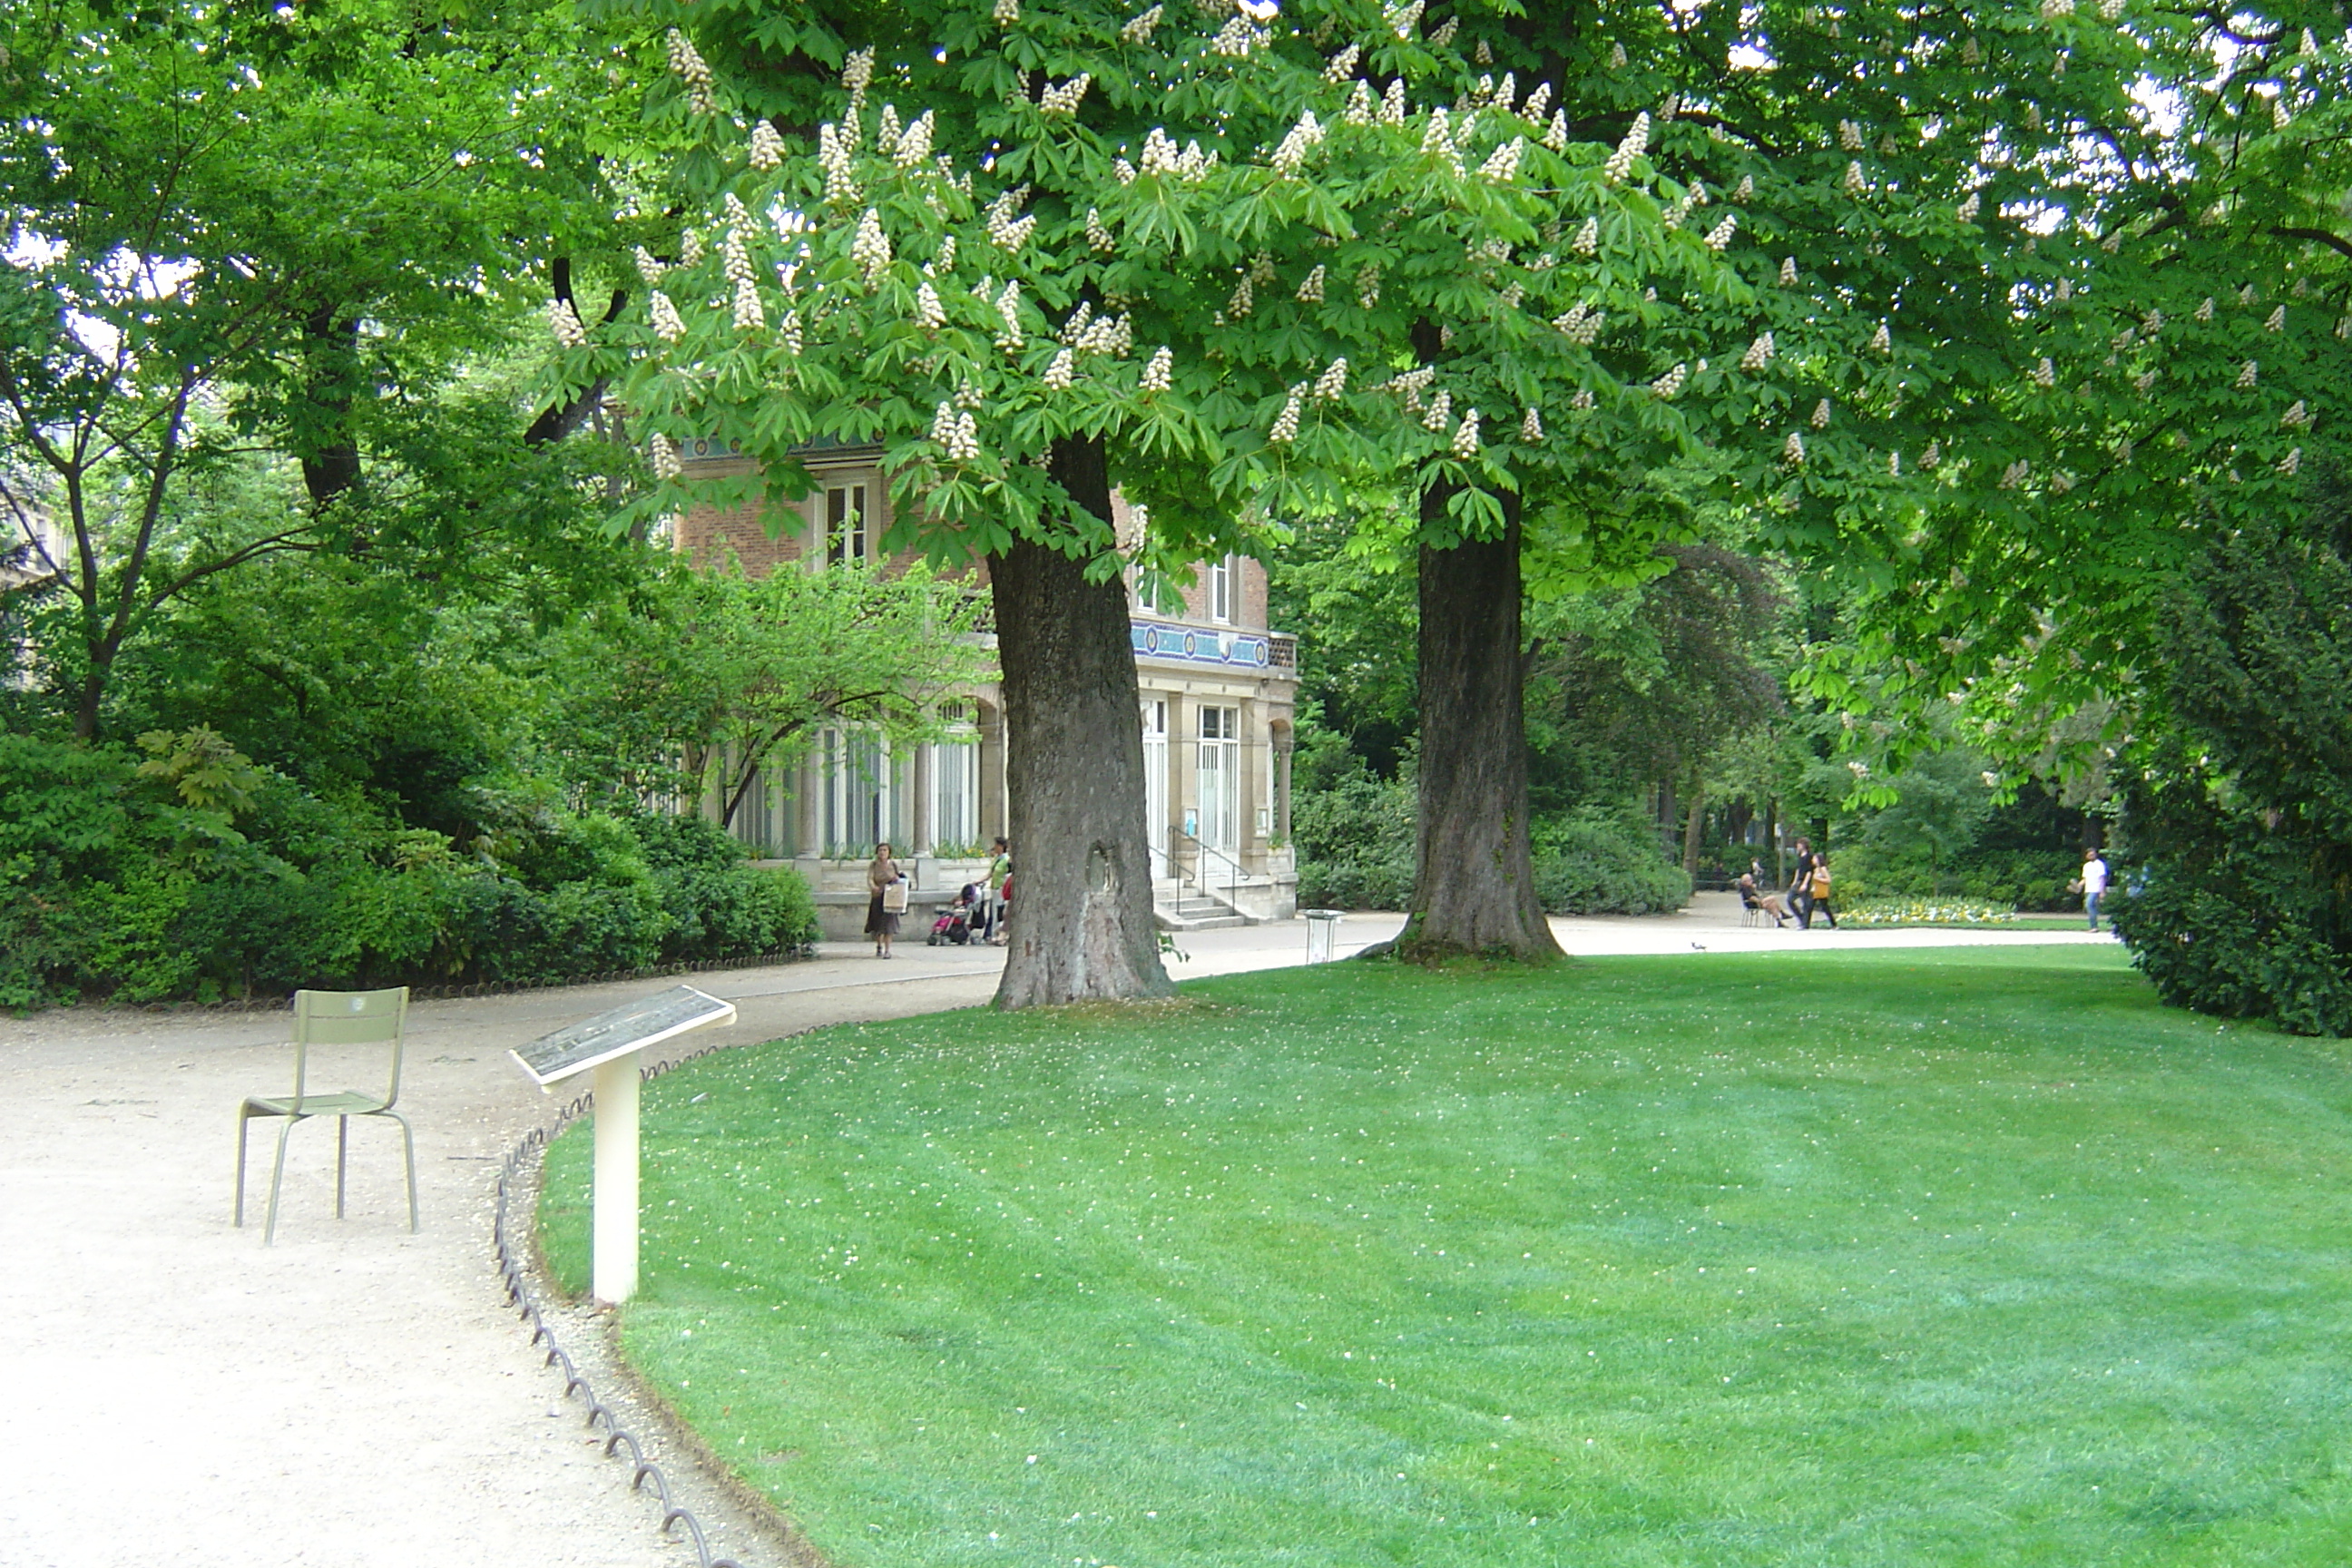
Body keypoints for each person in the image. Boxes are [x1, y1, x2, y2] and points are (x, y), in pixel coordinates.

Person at [865, 841, 903, 958]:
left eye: (885, 850)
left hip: (891, 897)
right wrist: (873, 887)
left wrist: (896, 879)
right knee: (878, 924)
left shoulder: (893, 864)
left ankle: (888, 950)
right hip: (878, 896)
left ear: (889, 852)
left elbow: (900, 878)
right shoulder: (874, 865)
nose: (882, 853)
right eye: (880, 850)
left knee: (889, 925)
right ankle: (879, 946)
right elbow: (870, 878)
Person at [1739, 862, 1788, 926]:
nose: (1752, 881)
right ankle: (1782, 913)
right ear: (1745, 881)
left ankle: (1779, 922)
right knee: (1773, 898)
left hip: (1758, 902)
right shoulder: (1745, 888)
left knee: (1772, 905)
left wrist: (1754, 889)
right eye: (1750, 880)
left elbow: (1755, 894)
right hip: (1753, 904)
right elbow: (1751, 898)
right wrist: (1760, 900)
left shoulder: (1750, 887)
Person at [983, 837, 1011, 945]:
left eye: (996, 845)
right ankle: (994, 934)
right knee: (994, 912)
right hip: (994, 888)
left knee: (1000, 911)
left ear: (1001, 846)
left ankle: (1000, 935)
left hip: (1002, 888)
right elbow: (991, 873)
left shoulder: (1006, 859)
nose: (994, 847)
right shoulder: (996, 859)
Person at [1788, 838, 1818, 927]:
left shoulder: (1809, 856)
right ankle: (1801, 918)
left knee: (1805, 903)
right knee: (1790, 900)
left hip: (1805, 881)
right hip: (1799, 881)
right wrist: (1794, 881)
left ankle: (1805, 923)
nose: (1797, 846)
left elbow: (1809, 871)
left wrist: (1805, 883)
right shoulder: (1800, 856)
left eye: (1799, 845)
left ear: (1804, 846)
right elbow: (1798, 869)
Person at [1806, 852, 1838, 929]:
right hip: (1815, 891)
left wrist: (1818, 879)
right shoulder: (1815, 869)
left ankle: (1834, 924)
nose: (1812, 860)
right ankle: (1806, 924)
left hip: (1821, 891)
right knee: (1809, 907)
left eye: (1814, 858)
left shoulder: (1823, 869)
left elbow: (1828, 880)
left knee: (1825, 908)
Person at [2081, 845, 2110, 932]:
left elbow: (2102, 878)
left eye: (2093, 854)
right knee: (2090, 907)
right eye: (2090, 855)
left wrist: (2102, 891)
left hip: (2096, 888)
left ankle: (2094, 926)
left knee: (2089, 905)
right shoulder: (2086, 866)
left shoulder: (2099, 864)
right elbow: (2085, 879)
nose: (2091, 856)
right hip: (2088, 889)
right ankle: (2093, 925)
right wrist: (2079, 885)